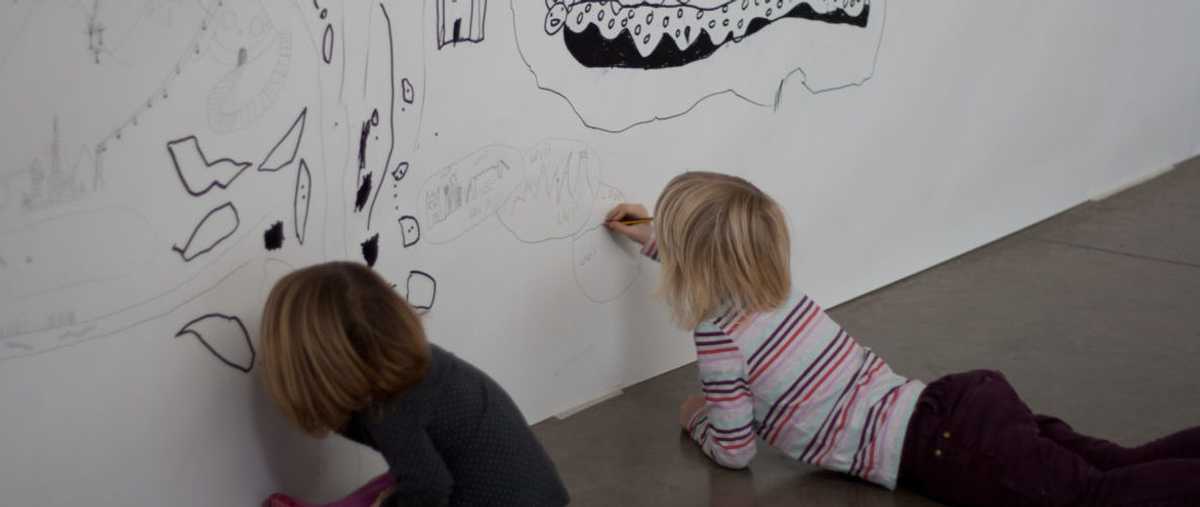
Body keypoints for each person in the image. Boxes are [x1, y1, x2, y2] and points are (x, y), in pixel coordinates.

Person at [605, 171, 1200, 506]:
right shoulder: (769, 288)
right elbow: (710, 259)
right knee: (1114, 465)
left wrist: (696, 418)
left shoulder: (719, 338)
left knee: (1094, 500)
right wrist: (645, 234)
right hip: (961, 406)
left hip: (939, 447)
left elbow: (734, 451)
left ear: (692, 262)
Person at [259, 261, 569, 507]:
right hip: (537, 491)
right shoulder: (418, 363)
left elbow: (430, 489)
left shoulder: (388, 406)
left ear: (313, 367)